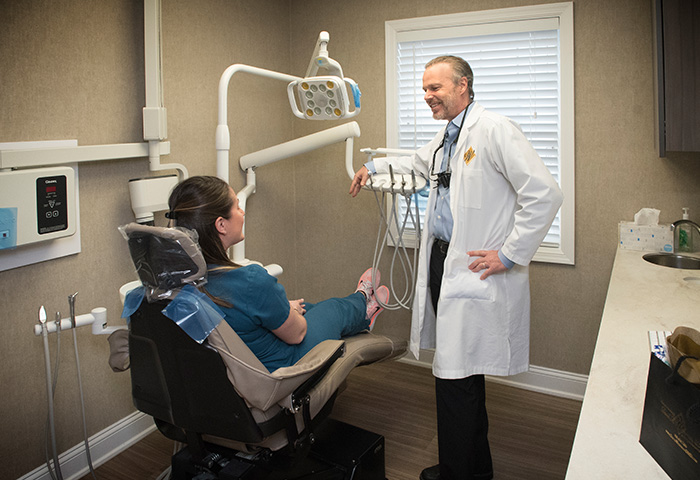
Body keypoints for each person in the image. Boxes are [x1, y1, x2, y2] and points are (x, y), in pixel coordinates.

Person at [350, 56, 563, 480]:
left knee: (456, 378)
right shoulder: (448, 137)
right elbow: (417, 166)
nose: (428, 96)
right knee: (461, 375)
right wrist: (371, 167)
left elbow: (545, 194)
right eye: (424, 89)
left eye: (436, 88)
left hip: (474, 267)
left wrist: (509, 253)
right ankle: (473, 469)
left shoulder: (494, 130)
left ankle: (455, 472)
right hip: (444, 261)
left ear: (463, 85)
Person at [167, 175, 389, 373]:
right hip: (284, 365)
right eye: (237, 207)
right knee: (333, 309)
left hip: (237, 366)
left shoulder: (174, 282)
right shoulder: (250, 280)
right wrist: (288, 312)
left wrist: (284, 308)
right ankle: (364, 304)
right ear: (221, 225)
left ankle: (359, 311)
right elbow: (297, 334)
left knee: (310, 308)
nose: (242, 212)